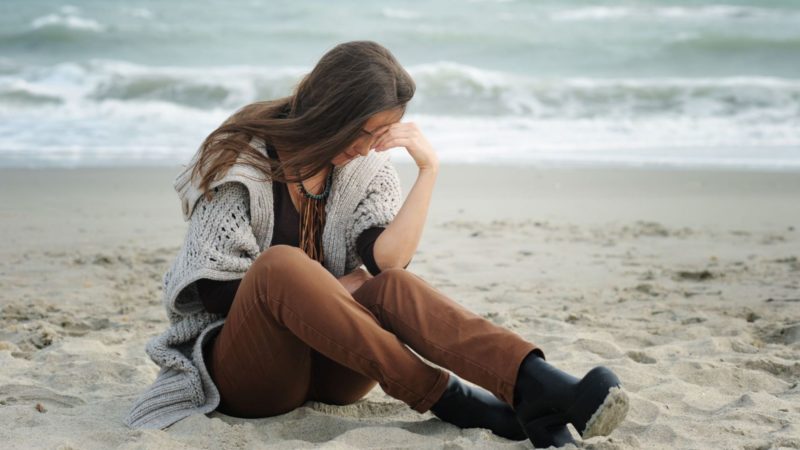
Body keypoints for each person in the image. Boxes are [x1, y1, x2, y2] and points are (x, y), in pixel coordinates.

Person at [124, 40, 629, 448]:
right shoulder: (241, 158)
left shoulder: (363, 166)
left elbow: (385, 261)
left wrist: (428, 170)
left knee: (395, 287)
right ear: (331, 111)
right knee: (281, 265)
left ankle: (535, 383)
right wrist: (329, 290)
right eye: (364, 132)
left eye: (382, 135)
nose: (368, 148)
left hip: (337, 369)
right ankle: (452, 399)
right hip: (251, 374)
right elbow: (215, 291)